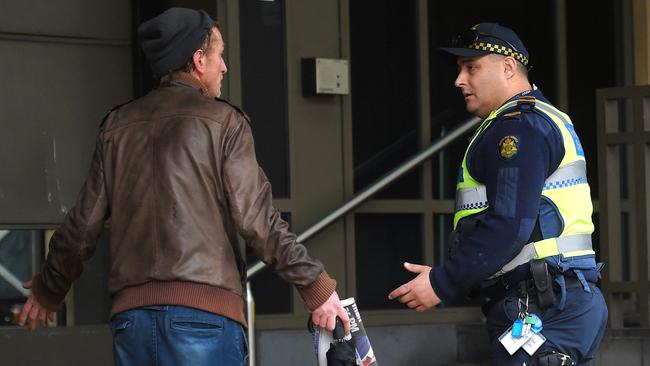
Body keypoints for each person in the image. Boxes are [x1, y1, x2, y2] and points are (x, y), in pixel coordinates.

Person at [18, 7, 350, 366]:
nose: (224, 66)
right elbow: (258, 221)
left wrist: (50, 288)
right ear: (198, 60)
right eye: (219, 55)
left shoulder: (117, 126)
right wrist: (315, 286)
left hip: (133, 323)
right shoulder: (225, 123)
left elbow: (82, 225)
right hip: (205, 321)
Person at [388, 23, 608, 365]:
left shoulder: (519, 128)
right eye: (460, 69)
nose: (459, 80)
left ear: (508, 68)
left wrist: (442, 282)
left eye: (472, 67)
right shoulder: (539, 118)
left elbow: (509, 224)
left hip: (543, 304)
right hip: (555, 301)